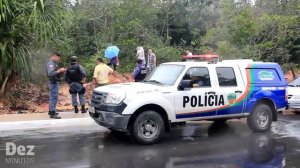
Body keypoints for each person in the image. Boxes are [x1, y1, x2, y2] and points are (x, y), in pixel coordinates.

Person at [45, 52, 66, 119]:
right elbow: (50, 74)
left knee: (53, 97)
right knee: (54, 97)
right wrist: (59, 70)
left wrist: (61, 71)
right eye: (58, 58)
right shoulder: (50, 64)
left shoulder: (54, 63)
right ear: (54, 56)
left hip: (55, 82)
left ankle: (51, 111)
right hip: (53, 83)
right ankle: (53, 113)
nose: (59, 59)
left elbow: (55, 73)